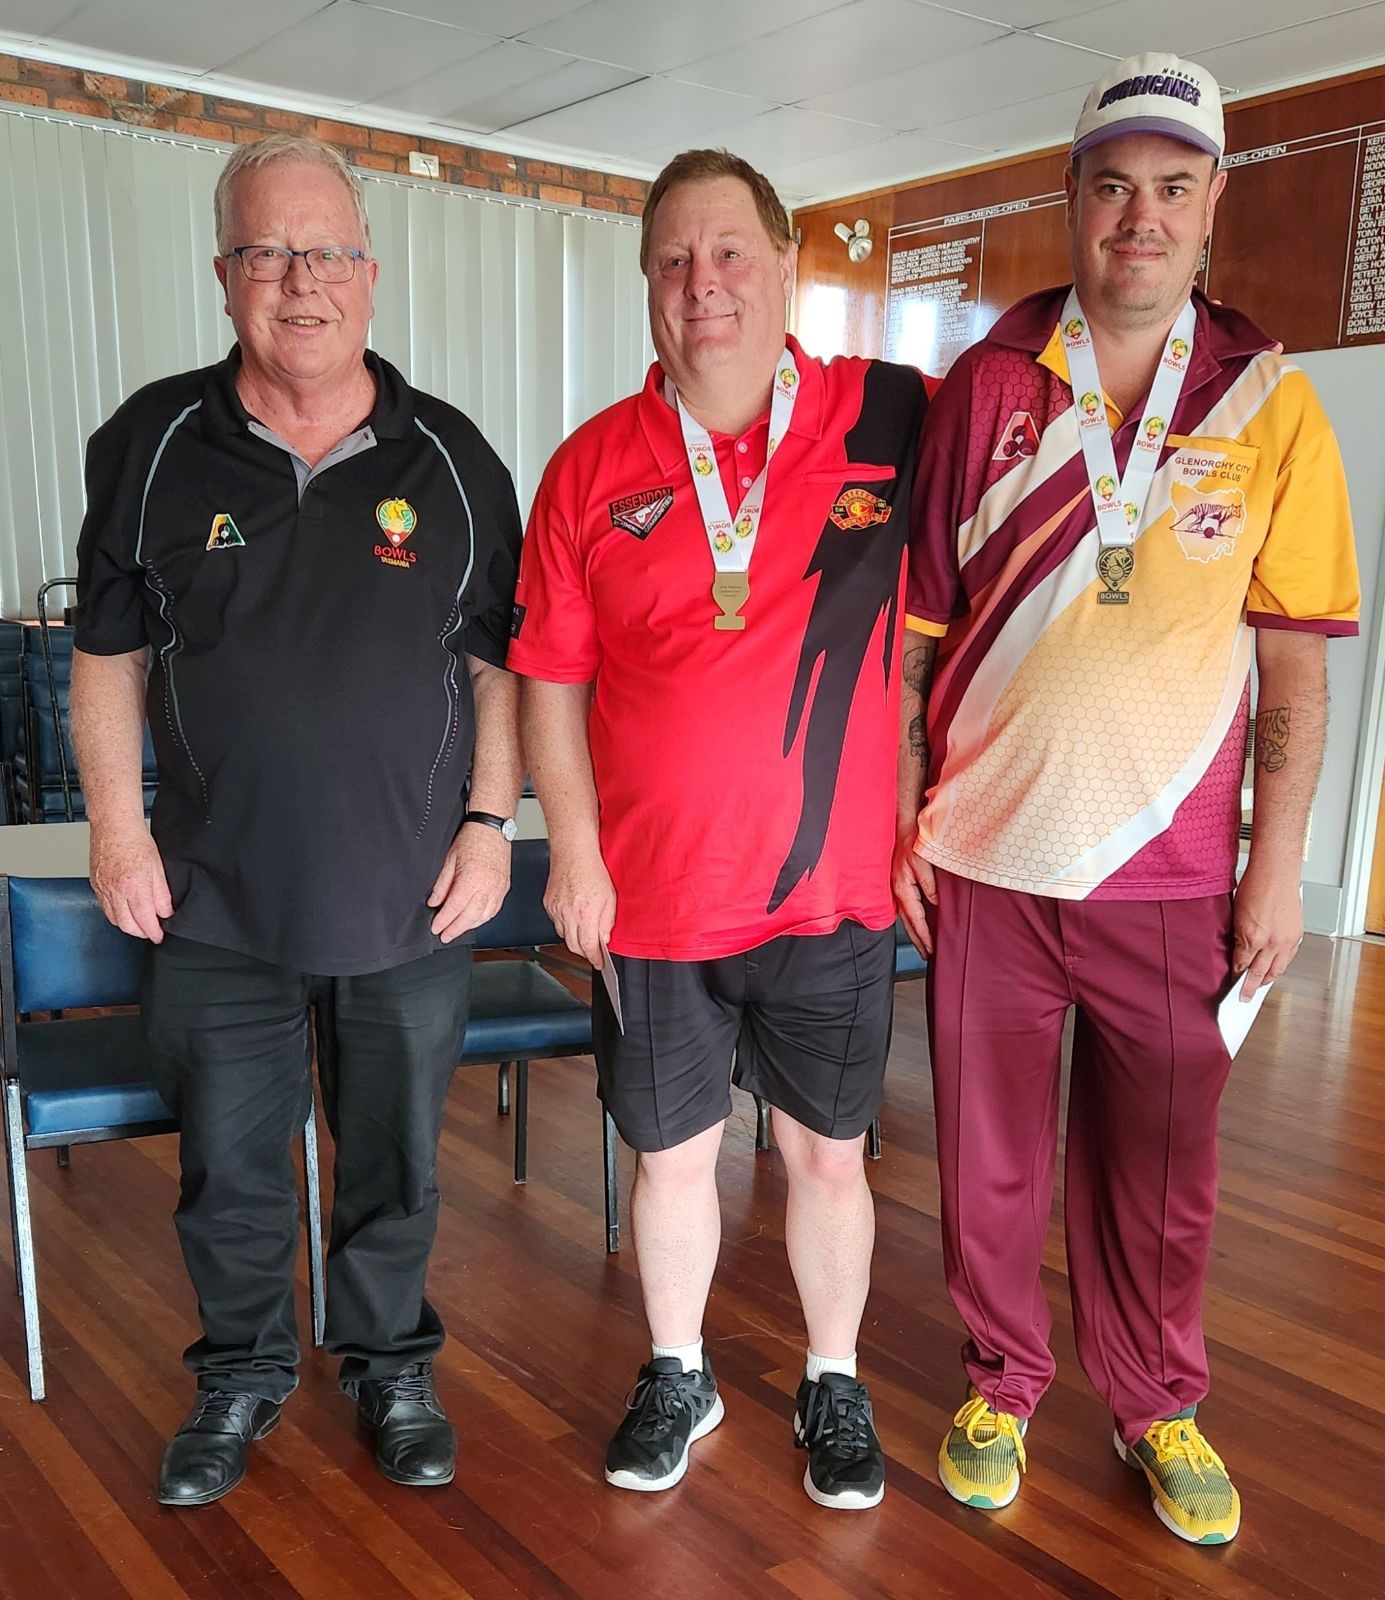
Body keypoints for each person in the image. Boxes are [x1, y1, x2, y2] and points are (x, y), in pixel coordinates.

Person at [895, 52, 1360, 1546]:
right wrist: (898, 819)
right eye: (1111, 188)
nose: (1137, 219)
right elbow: (909, 650)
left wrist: (1271, 872)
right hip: (981, 863)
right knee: (988, 1157)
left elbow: (1292, 674)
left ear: (1212, 203)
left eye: (1171, 188)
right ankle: (998, 1383)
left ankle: (1159, 1403)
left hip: (1168, 876)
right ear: (1070, 203)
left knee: (1159, 1176)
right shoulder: (983, 387)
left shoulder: (1272, 401)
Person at [70, 134, 524, 1506]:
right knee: (227, 1167)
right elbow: (107, 660)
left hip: (408, 892)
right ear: (225, 276)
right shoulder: (150, 443)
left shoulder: (454, 458)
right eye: (267, 250)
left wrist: (492, 821)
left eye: (324, 249)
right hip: (211, 892)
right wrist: (115, 829)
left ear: (369, 274)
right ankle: (242, 1377)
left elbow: (500, 664)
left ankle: (389, 1364)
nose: (299, 278)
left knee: (392, 1160)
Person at [509, 149, 929, 1509]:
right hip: (653, 902)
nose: (705, 286)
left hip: (831, 896)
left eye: (731, 252)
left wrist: (930, 801)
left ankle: (833, 1380)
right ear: (646, 283)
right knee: (667, 1155)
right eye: (675, 261)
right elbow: (550, 682)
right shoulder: (589, 468)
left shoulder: (892, 424)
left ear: (787, 262)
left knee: (824, 1156)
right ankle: (677, 1369)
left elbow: (964, 624)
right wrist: (571, 851)